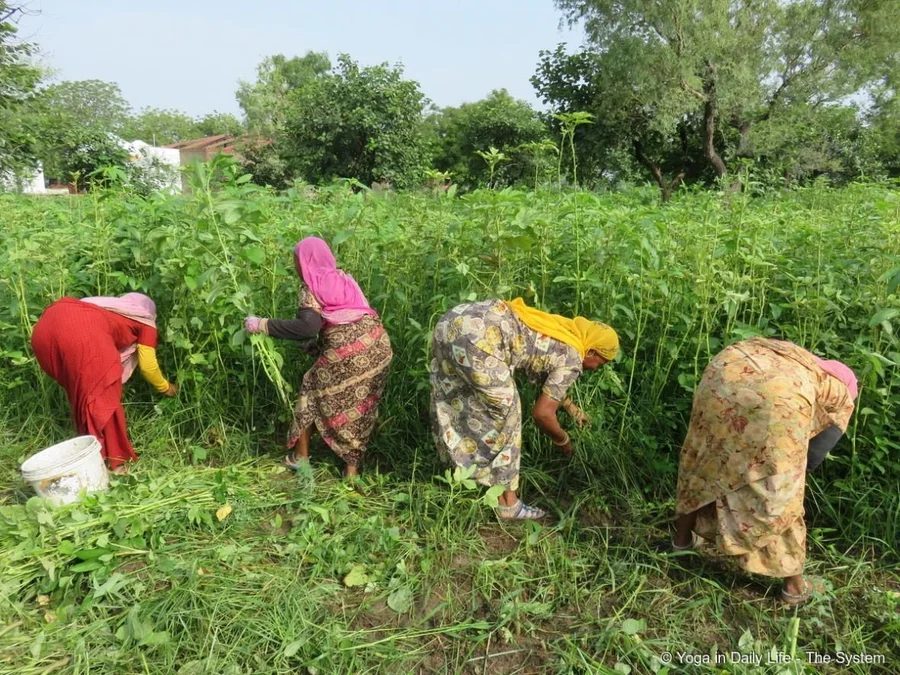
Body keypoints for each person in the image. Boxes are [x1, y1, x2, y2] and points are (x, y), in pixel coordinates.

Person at [671, 337, 858, 606]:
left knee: (702, 460)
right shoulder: (842, 394)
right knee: (783, 493)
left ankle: (681, 541)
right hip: (779, 395)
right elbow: (812, 458)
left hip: (726, 367)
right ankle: (794, 587)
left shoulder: (795, 358)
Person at [429, 298, 619, 520]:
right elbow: (542, 414)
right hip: (479, 340)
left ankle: (455, 470)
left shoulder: (562, 330)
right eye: (601, 363)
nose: (596, 369)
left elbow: (547, 370)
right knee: (509, 412)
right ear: (592, 352)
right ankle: (508, 504)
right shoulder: (574, 354)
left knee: (455, 394)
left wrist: (570, 407)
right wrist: (563, 440)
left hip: (452, 322)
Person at [245, 237, 392, 478]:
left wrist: (262, 324)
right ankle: (351, 472)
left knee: (310, 390)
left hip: (348, 350)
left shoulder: (311, 286)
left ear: (304, 263)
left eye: (296, 261)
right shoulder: (345, 278)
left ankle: (301, 458)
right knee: (361, 404)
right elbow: (351, 317)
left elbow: (306, 328)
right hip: (379, 346)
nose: (295, 266)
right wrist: (321, 345)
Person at [31, 293, 178, 474]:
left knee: (85, 396)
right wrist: (166, 387)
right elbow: (148, 367)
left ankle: (89, 454)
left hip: (43, 330)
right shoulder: (145, 321)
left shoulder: (106, 307)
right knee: (104, 399)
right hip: (82, 334)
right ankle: (115, 462)